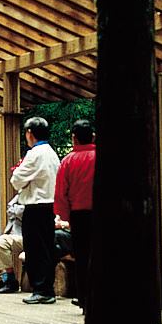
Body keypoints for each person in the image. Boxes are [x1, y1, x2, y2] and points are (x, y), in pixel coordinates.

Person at [11, 116, 61, 304]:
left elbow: (16, 179)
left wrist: (24, 183)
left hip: (35, 206)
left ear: (30, 133)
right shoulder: (51, 153)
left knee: (35, 249)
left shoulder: (34, 154)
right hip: (49, 206)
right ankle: (47, 288)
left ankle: (40, 289)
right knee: (46, 247)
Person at [54, 119, 96, 310]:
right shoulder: (101, 157)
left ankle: (84, 298)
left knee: (82, 255)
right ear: (93, 136)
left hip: (78, 215)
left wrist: (65, 216)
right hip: (101, 214)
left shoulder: (68, 161)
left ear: (74, 138)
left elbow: (61, 192)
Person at [0, 192, 25, 293]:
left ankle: (11, 280)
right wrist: (15, 209)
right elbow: (9, 208)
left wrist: (14, 208)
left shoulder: (34, 196)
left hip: (26, 235)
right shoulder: (21, 194)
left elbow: (22, 212)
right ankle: (4, 278)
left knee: (0, 243)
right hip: (12, 234)